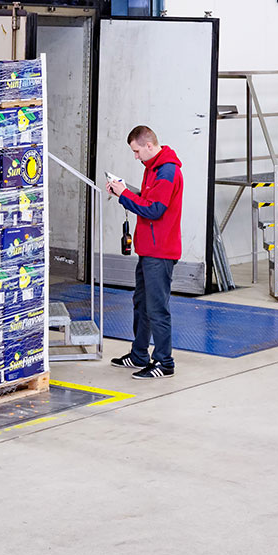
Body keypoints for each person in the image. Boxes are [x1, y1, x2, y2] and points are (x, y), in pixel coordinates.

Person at [105, 126, 183, 379]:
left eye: (137, 151)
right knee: (141, 303)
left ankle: (164, 362)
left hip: (160, 252)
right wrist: (126, 190)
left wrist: (124, 195)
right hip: (149, 249)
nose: (136, 157)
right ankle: (139, 354)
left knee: (157, 308)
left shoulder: (167, 171)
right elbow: (150, 200)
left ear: (149, 145)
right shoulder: (153, 169)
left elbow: (155, 210)